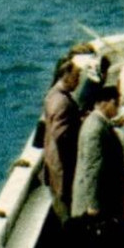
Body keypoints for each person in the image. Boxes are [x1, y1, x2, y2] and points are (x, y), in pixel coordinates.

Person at [69, 85, 124, 248]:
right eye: (116, 105)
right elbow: (92, 168)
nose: (117, 109)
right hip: (95, 200)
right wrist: (93, 205)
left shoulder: (98, 123)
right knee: (96, 242)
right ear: (108, 103)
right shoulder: (95, 129)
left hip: (102, 194)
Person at [40, 59, 84, 222]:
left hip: (55, 164)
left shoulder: (53, 95)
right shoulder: (62, 102)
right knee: (67, 214)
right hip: (63, 168)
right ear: (66, 75)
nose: (78, 81)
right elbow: (62, 137)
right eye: (76, 76)